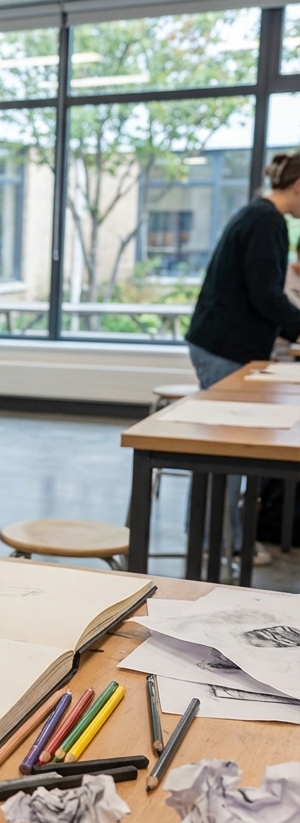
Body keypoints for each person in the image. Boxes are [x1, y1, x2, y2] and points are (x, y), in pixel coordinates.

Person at [185, 151, 300, 562]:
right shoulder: (266, 221)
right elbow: (265, 294)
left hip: (223, 344)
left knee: (227, 453)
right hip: (223, 348)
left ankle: (217, 540)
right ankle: (223, 544)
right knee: (227, 454)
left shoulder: (260, 215)